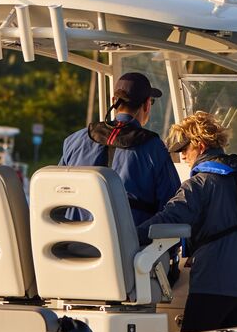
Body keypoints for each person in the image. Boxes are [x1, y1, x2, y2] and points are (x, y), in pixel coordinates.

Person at [149, 110, 237, 332]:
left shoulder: (198, 183)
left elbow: (167, 219)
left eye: (184, 149)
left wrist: (125, 235)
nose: (182, 156)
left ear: (200, 145)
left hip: (215, 281)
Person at [60, 71, 180, 227]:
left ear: (114, 101)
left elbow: (57, 193)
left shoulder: (74, 140)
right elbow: (173, 204)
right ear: (147, 105)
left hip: (73, 243)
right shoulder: (154, 148)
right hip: (128, 248)